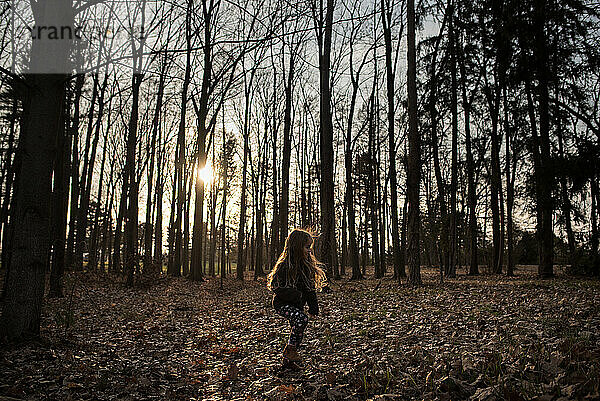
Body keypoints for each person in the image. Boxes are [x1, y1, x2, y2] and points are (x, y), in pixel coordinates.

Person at [267, 228, 327, 366]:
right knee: (301, 319)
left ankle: (290, 356)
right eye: (307, 247)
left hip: (297, 305)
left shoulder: (306, 266)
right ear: (297, 247)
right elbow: (276, 286)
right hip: (282, 304)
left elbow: (310, 289)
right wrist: (296, 295)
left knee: (298, 329)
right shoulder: (284, 266)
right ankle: (290, 350)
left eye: (310, 247)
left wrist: (313, 308)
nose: (309, 251)